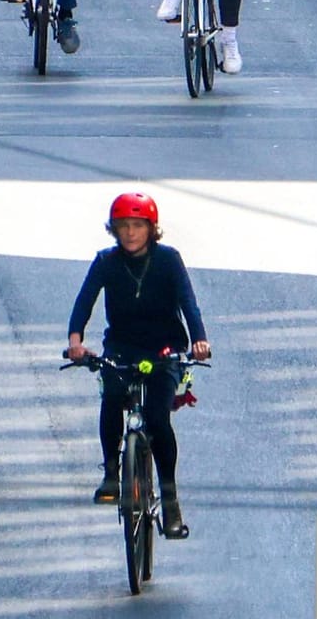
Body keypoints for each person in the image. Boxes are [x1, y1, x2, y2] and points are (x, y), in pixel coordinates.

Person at [65, 192, 210, 540]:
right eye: (123, 226)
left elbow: (188, 303)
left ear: (151, 229)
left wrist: (199, 340)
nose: (130, 233)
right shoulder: (105, 262)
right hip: (122, 348)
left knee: (158, 419)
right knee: (112, 398)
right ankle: (112, 474)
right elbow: (85, 301)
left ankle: (171, 500)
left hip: (165, 349)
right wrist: (75, 342)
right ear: (114, 229)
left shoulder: (169, 260)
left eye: (137, 226)